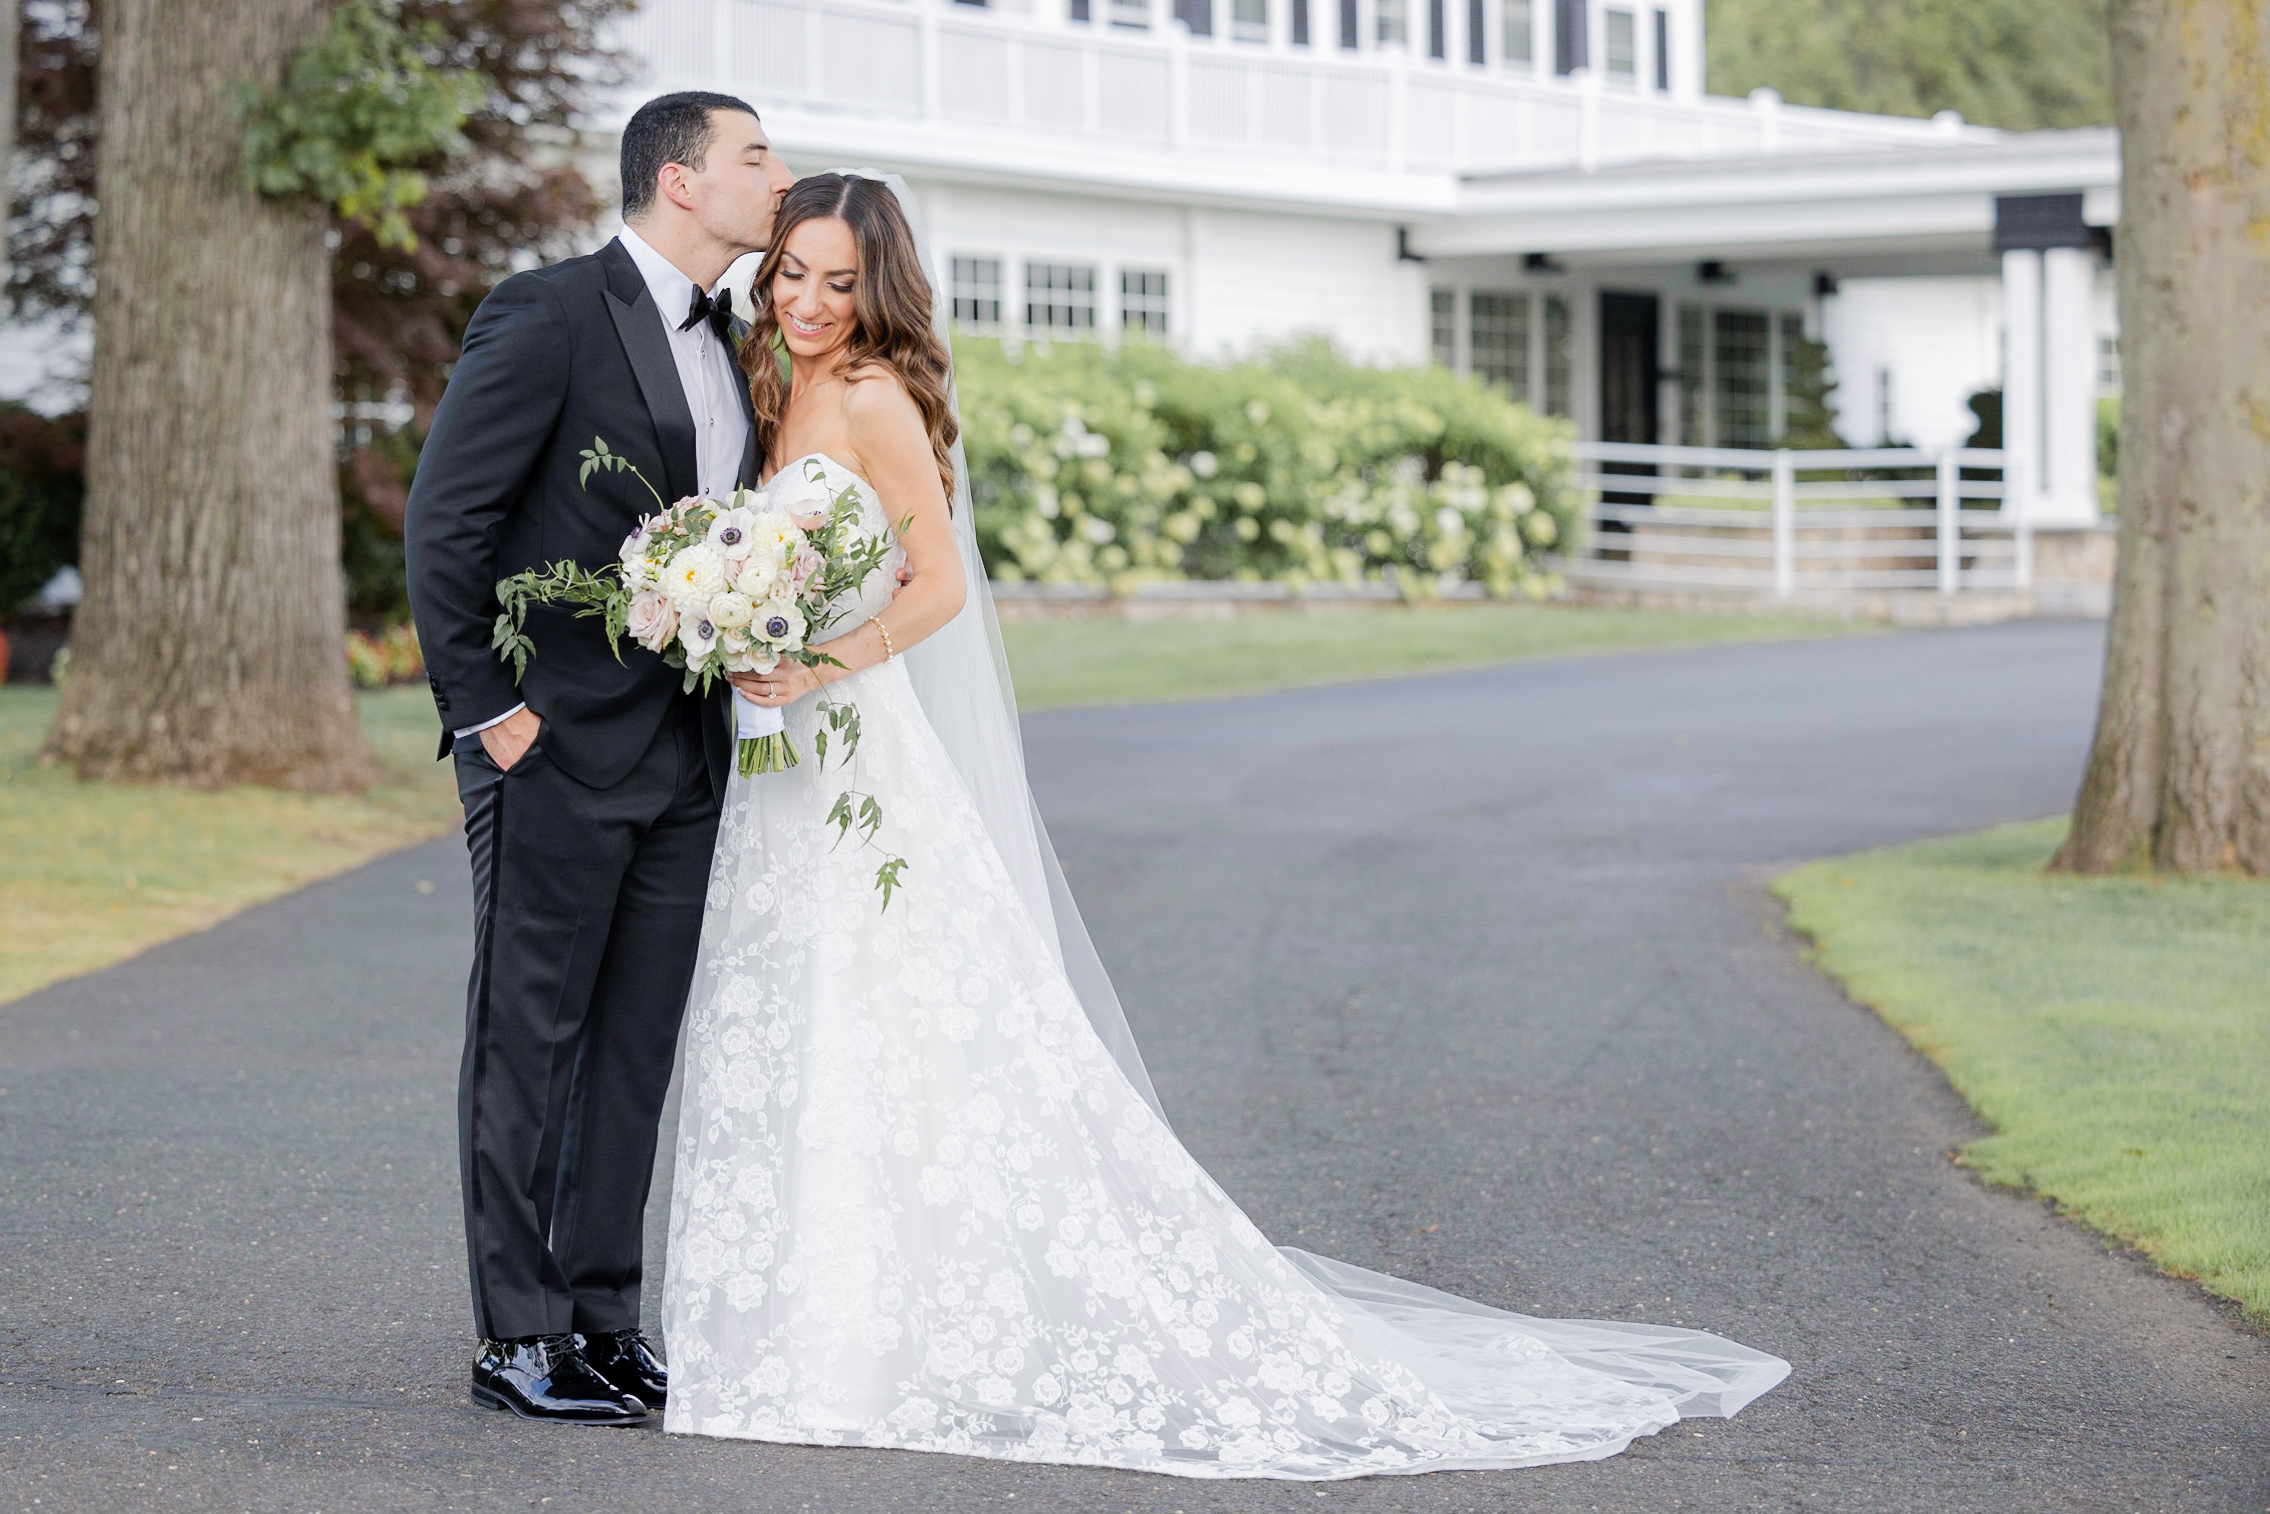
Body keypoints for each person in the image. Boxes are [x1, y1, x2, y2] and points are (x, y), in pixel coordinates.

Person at [658, 171, 1791, 1478]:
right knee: (790, 1014)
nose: (805, 299)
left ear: (878, 291)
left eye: (836, 280)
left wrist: (826, 657)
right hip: (782, 764)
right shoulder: (769, 386)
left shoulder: (870, 397)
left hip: (858, 752)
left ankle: (869, 1330)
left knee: (889, 1016)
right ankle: (793, 1310)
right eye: (791, 272)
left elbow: (942, 582)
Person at [403, 91, 793, 1424]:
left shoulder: (742, 342)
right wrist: (486, 712)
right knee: (531, 1040)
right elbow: (445, 521)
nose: (775, 175)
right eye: (755, 156)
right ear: (679, 181)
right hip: (549, 749)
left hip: (684, 754)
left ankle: (602, 1317)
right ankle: (516, 1333)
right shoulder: (550, 311)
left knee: (633, 1046)